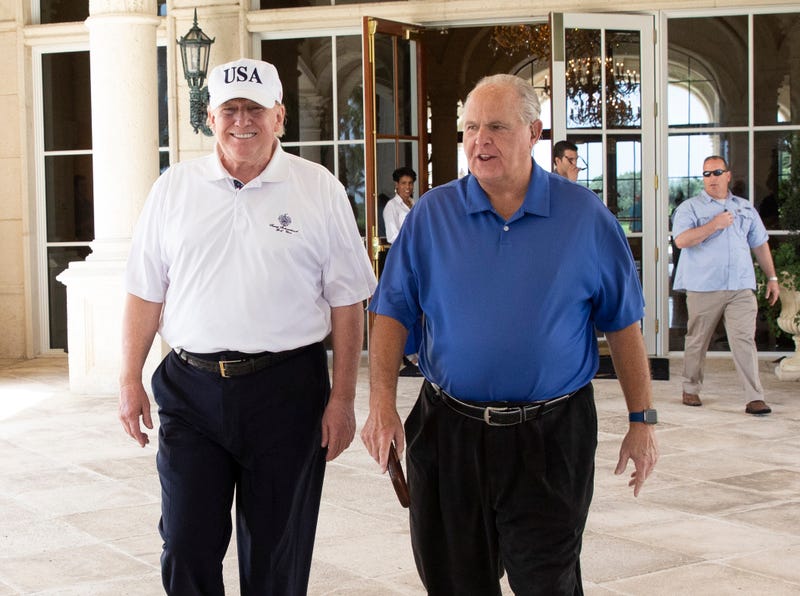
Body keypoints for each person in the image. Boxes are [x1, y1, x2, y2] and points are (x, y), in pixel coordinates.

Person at [361, 74, 658, 595]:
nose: (480, 141)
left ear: (534, 132)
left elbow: (624, 323)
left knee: (549, 583)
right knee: (453, 581)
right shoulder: (431, 215)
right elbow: (391, 311)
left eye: (496, 127)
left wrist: (642, 420)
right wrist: (381, 402)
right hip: (449, 431)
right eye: (471, 128)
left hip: (551, 436)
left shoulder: (585, 218)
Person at [118, 58, 376, 595]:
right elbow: (145, 292)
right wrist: (128, 381)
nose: (242, 121)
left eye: (255, 109)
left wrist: (343, 399)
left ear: (279, 116)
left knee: (277, 551)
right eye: (229, 109)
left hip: (288, 392)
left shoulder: (318, 188)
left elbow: (348, 303)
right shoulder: (173, 190)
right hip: (190, 389)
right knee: (186, 542)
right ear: (210, 118)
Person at [672, 155, 780, 415]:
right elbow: (681, 241)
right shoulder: (690, 208)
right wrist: (714, 225)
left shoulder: (744, 208)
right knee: (698, 339)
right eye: (706, 174)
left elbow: (760, 244)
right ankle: (691, 388)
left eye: (716, 172)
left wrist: (772, 277)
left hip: (740, 285)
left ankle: (755, 397)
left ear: (727, 175)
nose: (711, 178)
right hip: (704, 286)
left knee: (744, 339)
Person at [382, 166, 423, 377]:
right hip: (401, 260)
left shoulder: (415, 205)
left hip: (416, 260)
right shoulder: (392, 207)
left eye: (410, 184)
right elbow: (393, 236)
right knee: (404, 307)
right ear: (396, 185)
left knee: (417, 308)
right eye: (403, 184)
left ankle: (418, 355)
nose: (407, 187)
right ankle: (410, 356)